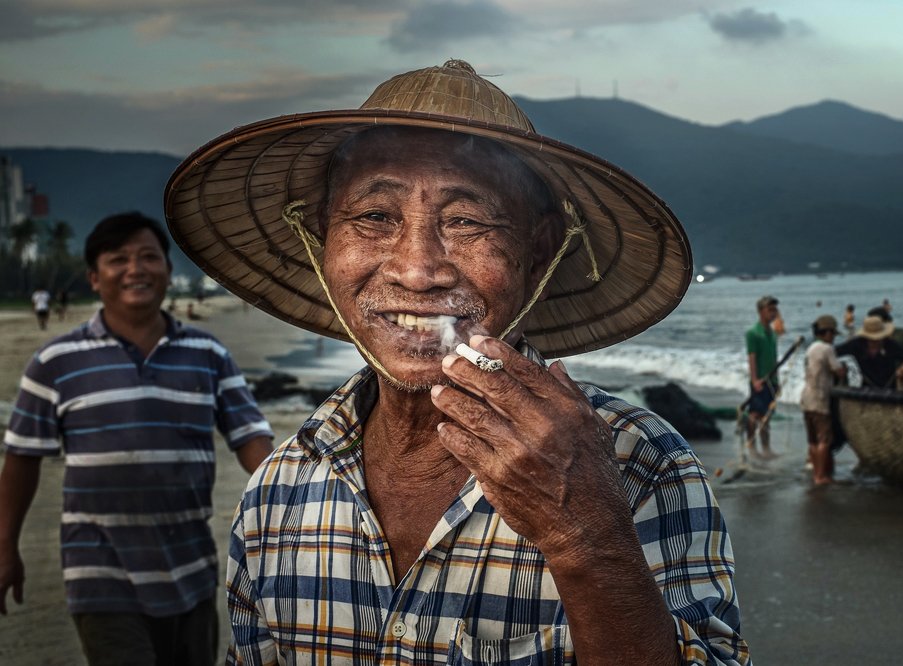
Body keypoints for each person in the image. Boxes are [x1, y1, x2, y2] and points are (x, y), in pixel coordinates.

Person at [164, 60, 749, 665]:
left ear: (538, 251)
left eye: (467, 221)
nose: (417, 269)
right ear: (323, 238)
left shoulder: (640, 465)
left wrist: (589, 538)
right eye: (374, 217)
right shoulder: (276, 492)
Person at [0, 212, 274, 665]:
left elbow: (251, 441)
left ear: (167, 271)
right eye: (118, 259)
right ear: (94, 277)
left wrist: (301, 500)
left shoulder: (208, 355)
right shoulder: (56, 361)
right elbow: (22, 460)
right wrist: (5, 546)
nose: (136, 269)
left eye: (149, 256)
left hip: (191, 570)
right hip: (101, 574)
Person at [800, 315, 847, 485]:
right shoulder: (827, 349)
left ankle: (816, 473)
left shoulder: (811, 348)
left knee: (812, 440)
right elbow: (838, 370)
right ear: (826, 332)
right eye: (833, 333)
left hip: (806, 397)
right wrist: (844, 369)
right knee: (824, 440)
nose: (834, 337)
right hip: (820, 399)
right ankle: (820, 476)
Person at [745, 295, 781, 459]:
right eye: (770, 310)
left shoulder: (772, 333)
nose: (773, 313)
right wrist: (754, 380)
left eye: (775, 310)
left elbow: (773, 357)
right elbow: (752, 357)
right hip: (759, 380)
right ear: (761, 311)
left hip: (772, 380)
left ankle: (766, 448)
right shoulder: (753, 333)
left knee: (766, 416)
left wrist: (777, 381)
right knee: (754, 414)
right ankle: (751, 446)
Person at [835, 315, 903, 389]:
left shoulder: (890, 345)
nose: (875, 341)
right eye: (871, 339)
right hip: (865, 389)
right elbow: (834, 353)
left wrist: (902, 369)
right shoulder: (857, 344)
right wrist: (840, 366)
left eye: (878, 338)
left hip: (890, 388)